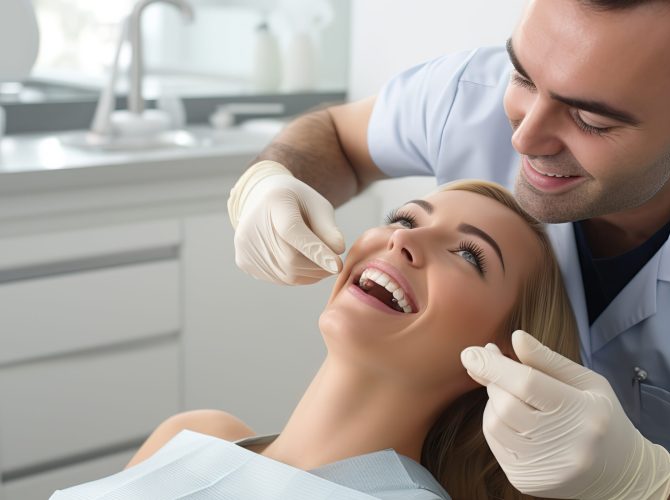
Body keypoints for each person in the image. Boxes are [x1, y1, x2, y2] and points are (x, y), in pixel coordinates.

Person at [226, 1, 670, 499]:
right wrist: (269, 181)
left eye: (591, 119)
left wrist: (644, 484)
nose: (524, 138)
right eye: (523, 76)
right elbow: (337, 138)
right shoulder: (465, 95)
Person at [51, 181, 584, 500]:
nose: (402, 238)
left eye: (469, 254)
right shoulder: (193, 434)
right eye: (403, 217)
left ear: (507, 358)